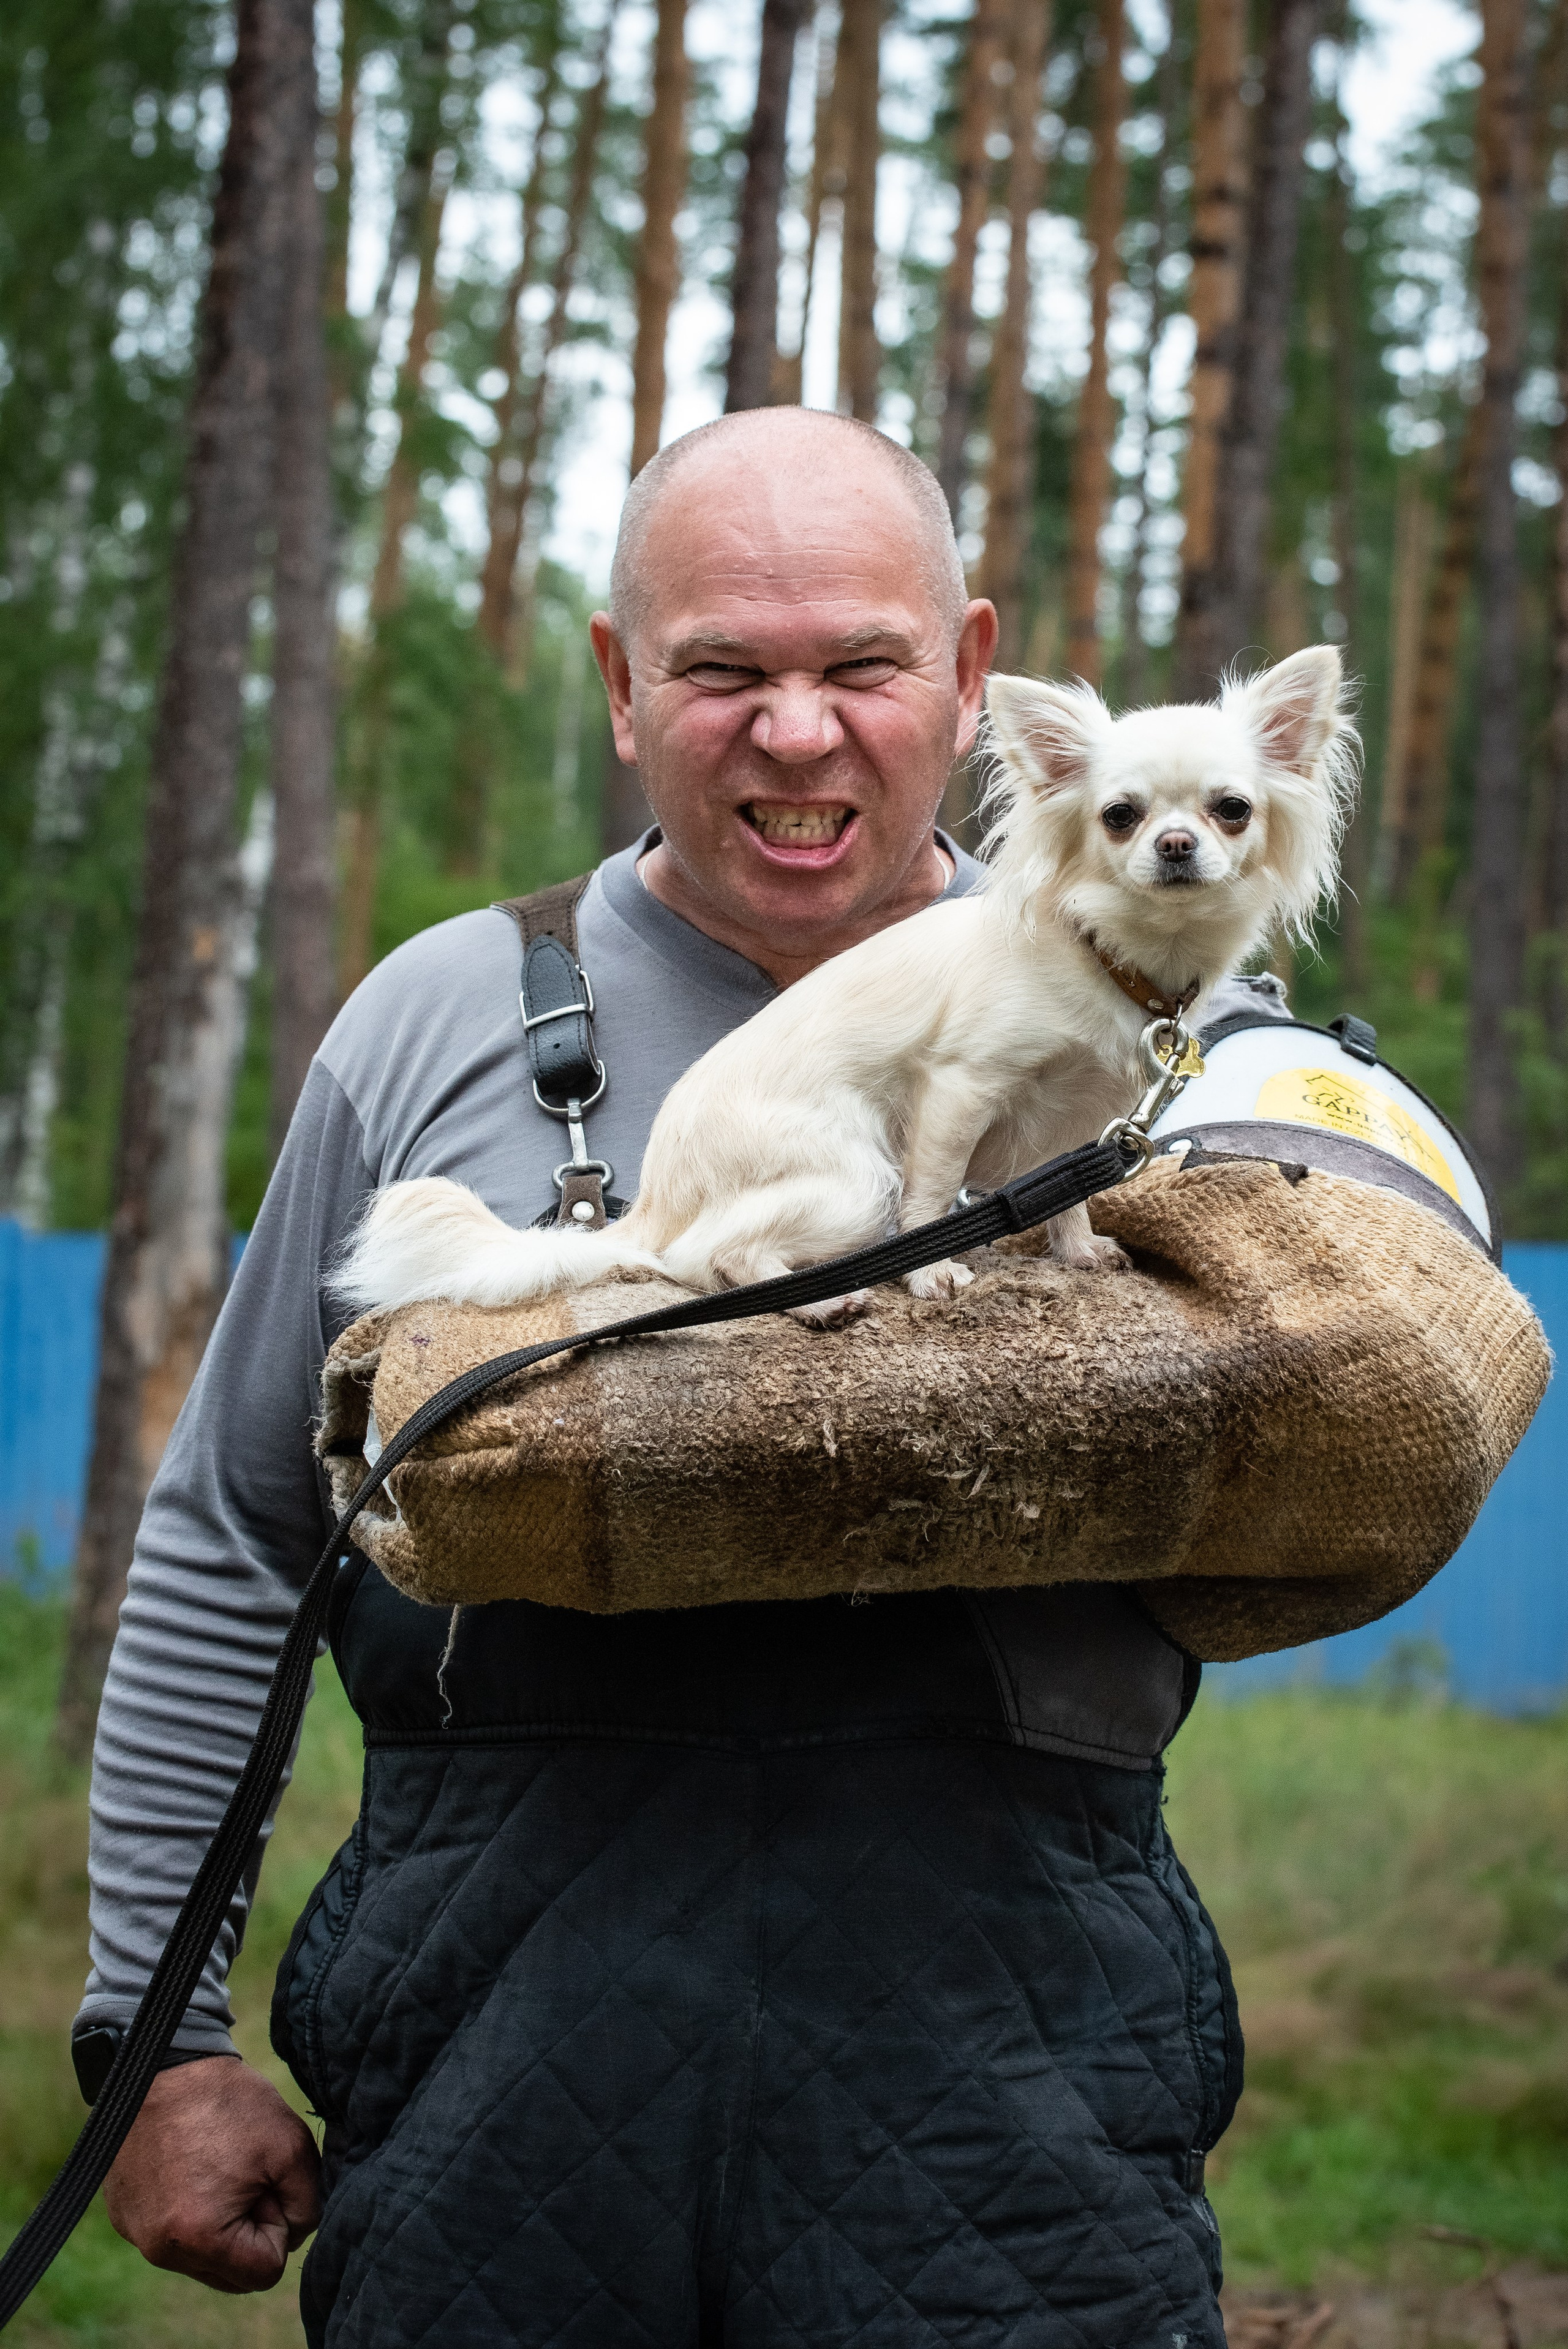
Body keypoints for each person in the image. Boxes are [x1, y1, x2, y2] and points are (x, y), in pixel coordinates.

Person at [79, 407, 1267, 2348]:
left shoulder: (1176, 1034)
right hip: (494, 2078)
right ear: (627, 686)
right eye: (724, 668)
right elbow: (236, 1532)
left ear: (970, 677)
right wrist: (154, 2034)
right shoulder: (434, 1017)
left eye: (861, 667)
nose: (796, 733)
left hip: (1015, 2105)